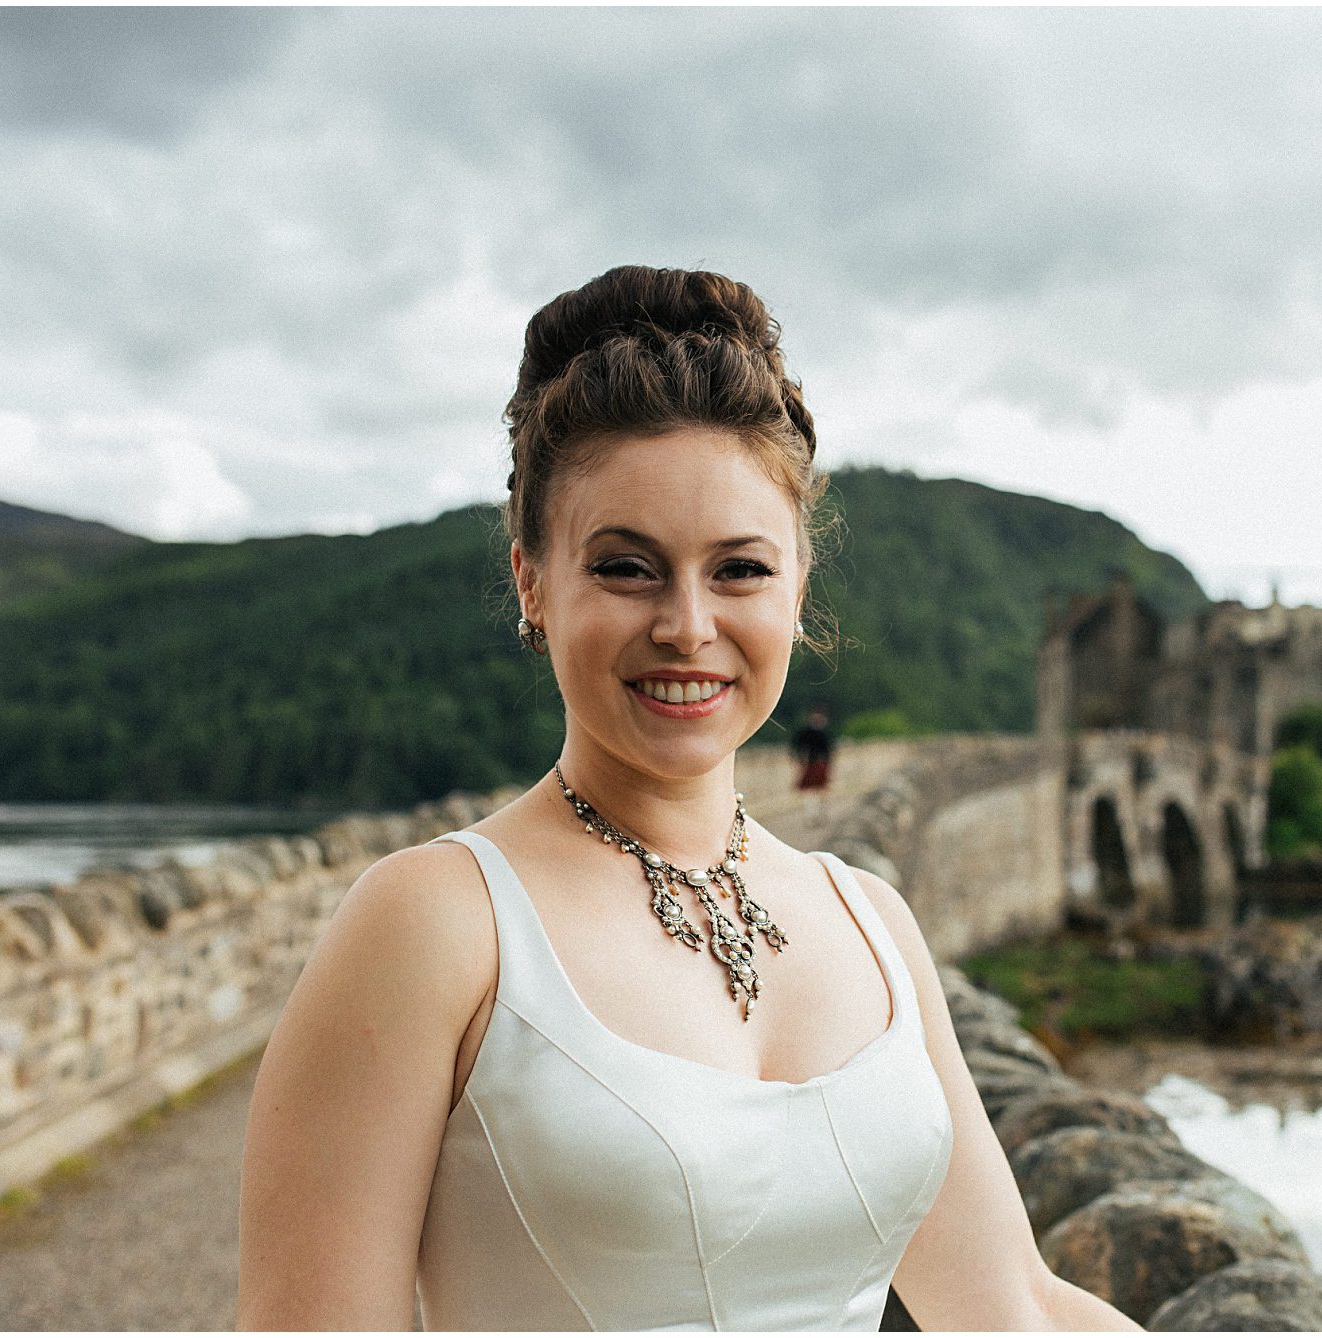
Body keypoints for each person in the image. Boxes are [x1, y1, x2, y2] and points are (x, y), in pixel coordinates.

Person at [235, 265, 1141, 1331]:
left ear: (798, 584)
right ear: (532, 580)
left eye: (739, 571)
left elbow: (1012, 1308)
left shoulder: (869, 921)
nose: (686, 625)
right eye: (626, 568)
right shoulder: (435, 924)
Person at [793, 704, 835, 817]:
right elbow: (797, 747)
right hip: (811, 763)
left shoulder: (821, 733)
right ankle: (812, 814)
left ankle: (819, 813)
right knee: (811, 791)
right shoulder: (808, 733)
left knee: (819, 790)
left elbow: (828, 751)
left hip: (817, 763)